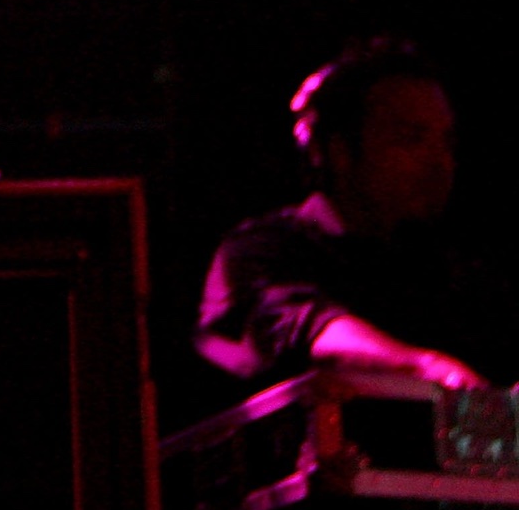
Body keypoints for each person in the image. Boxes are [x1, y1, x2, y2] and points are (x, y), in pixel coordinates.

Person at [195, 38, 509, 390]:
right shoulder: (263, 251)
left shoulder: (451, 270)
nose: (441, 163)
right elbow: (303, 326)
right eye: (411, 139)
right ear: (340, 151)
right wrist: (427, 367)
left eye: (446, 142)